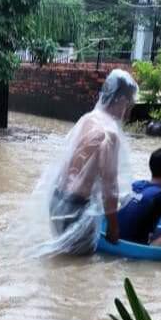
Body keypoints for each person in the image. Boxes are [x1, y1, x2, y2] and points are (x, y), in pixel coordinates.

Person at [40, 69, 138, 255]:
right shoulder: (110, 133)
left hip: (58, 200)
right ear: (122, 100)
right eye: (130, 102)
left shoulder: (88, 119)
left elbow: (68, 162)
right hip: (77, 207)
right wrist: (113, 226)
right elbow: (110, 186)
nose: (129, 109)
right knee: (77, 269)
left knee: (62, 260)